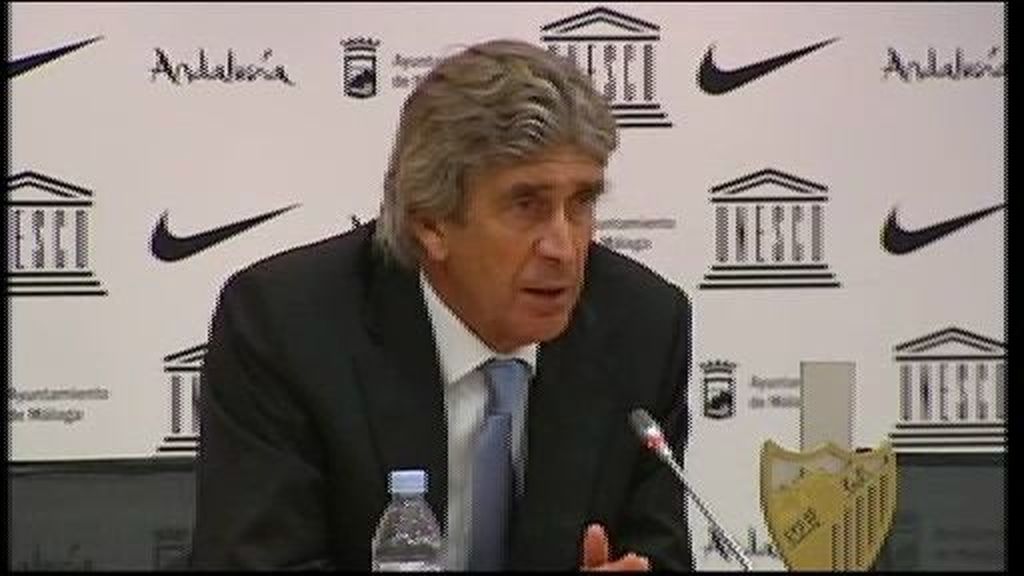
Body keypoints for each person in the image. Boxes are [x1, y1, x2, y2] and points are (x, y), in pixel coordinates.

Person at [191, 39, 693, 571]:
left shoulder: (643, 327)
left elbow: (657, 553)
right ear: (431, 223)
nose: (564, 248)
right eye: (526, 205)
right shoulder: (286, 326)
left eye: (582, 203)